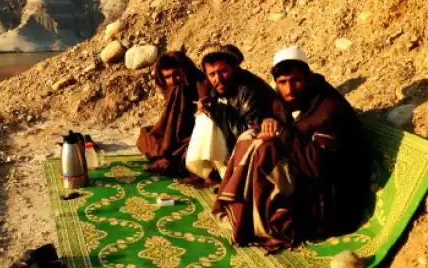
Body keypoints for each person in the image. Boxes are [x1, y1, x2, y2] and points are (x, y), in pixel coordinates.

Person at [212, 46, 368, 252]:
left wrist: (281, 132)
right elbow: (273, 118)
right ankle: (245, 211)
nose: (289, 89)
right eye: (282, 83)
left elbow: (317, 166)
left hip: (331, 204)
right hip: (311, 182)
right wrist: (268, 121)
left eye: (295, 80)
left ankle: (266, 223)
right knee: (249, 138)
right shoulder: (290, 99)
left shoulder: (329, 109)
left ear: (308, 77)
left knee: (265, 151)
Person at [184, 45, 276, 185]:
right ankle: (214, 172)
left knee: (208, 117)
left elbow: (249, 133)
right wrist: (208, 107)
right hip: (235, 140)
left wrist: (218, 111)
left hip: (260, 144)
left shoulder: (248, 89)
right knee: (204, 116)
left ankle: (227, 175)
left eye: (223, 72)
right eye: (212, 74)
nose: (218, 79)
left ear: (234, 69)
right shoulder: (220, 87)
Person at [137, 51, 206, 176]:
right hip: (172, 135)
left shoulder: (200, 84)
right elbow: (169, 120)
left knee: (190, 153)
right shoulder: (172, 88)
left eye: (176, 75)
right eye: (167, 77)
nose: (172, 81)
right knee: (146, 134)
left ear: (184, 71)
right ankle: (165, 158)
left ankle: (167, 160)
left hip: (192, 136)